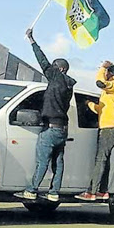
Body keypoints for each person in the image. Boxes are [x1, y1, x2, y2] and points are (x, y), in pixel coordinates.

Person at [14, 29, 76, 202]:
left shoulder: (57, 77)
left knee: (42, 162)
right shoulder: (69, 86)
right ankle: (54, 192)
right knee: (58, 163)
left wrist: (32, 40)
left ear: (61, 69)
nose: (51, 69)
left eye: (55, 67)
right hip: (62, 129)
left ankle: (31, 190)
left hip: (50, 129)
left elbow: (43, 61)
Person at [75, 61, 114, 201]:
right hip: (107, 125)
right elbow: (102, 109)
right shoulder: (109, 92)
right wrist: (89, 104)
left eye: (106, 72)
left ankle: (92, 191)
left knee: (101, 159)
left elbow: (100, 83)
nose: (104, 74)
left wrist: (103, 67)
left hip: (110, 127)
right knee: (105, 159)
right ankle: (102, 191)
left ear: (110, 73)